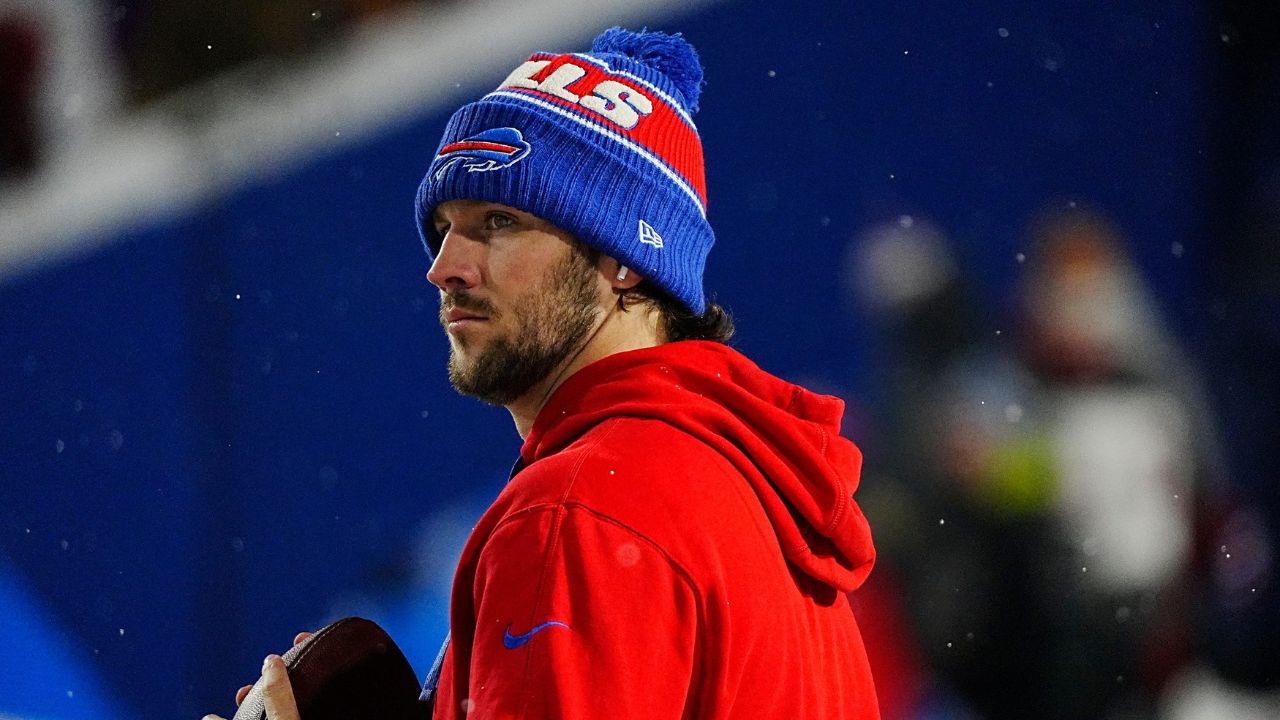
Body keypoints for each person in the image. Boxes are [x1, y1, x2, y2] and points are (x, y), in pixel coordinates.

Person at [206, 27, 879, 720]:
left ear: (627, 259)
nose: (444, 268)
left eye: (498, 220)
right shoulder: (749, 486)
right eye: (444, 229)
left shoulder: (579, 509)